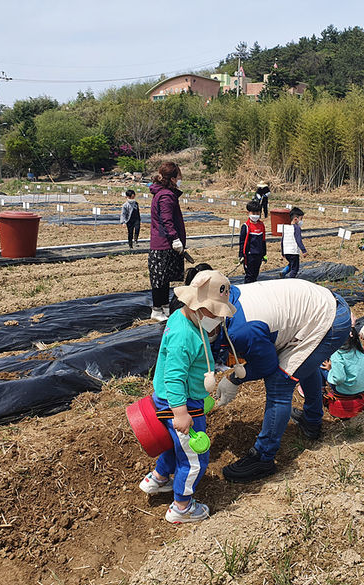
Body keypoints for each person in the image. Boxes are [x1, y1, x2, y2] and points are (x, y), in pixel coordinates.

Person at [213, 279, 352, 482]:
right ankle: (312, 421)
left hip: (327, 320)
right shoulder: (229, 297)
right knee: (302, 362)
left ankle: (263, 457)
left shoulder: (242, 329)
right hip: (319, 308)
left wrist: (234, 379)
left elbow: (266, 366)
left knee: (279, 381)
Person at [138, 270, 237, 523]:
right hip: (180, 404)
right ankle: (182, 507)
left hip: (176, 400)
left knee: (174, 445)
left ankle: (159, 479)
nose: (217, 318)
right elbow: (173, 377)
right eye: (214, 312)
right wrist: (181, 412)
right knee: (195, 458)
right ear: (198, 307)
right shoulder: (185, 336)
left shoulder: (181, 319)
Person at [148, 162, 186, 323]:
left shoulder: (164, 193)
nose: (180, 180)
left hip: (163, 242)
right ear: (171, 179)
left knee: (164, 278)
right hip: (163, 243)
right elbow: (167, 220)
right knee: (160, 279)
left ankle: (164, 307)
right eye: (178, 178)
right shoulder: (166, 196)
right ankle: (157, 310)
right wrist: (175, 239)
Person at [319, 325, 364, 419]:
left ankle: (321, 391)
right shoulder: (358, 348)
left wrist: (331, 371)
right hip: (362, 387)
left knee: (320, 365)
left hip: (346, 390)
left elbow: (339, 378)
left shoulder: (337, 354)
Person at [239, 201, 267, 284]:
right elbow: (242, 242)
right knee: (249, 275)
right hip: (249, 255)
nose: (255, 215)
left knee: (255, 274)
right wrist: (241, 255)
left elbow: (263, 240)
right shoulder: (246, 226)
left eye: (257, 213)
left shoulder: (261, 225)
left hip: (258, 254)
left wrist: (264, 254)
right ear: (248, 213)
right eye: (253, 212)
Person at [280, 207, 306, 279]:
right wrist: (304, 250)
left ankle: (284, 272)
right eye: (301, 219)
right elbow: (298, 240)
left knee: (291, 264)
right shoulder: (297, 228)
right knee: (295, 268)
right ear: (295, 219)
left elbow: (282, 241)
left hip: (286, 252)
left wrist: (282, 253)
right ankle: (290, 281)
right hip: (293, 252)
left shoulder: (286, 228)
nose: (301, 221)